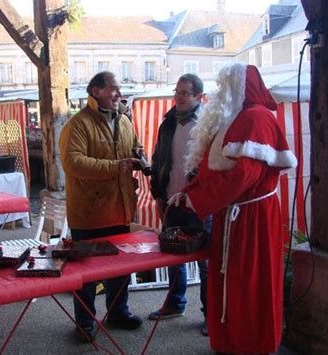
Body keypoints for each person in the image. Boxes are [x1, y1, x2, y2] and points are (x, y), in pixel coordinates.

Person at [170, 63, 297, 353]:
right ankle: (230, 340)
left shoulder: (257, 118)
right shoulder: (234, 118)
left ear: (242, 87)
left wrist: (199, 201)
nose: (220, 92)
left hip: (252, 218)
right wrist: (189, 192)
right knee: (231, 280)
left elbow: (244, 175)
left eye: (225, 85)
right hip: (233, 216)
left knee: (249, 283)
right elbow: (212, 170)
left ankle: (250, 342)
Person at [59, 71, 143, 342]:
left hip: (120, 208)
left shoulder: (125, 120)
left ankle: (118, 312)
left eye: (119, 89)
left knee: (119, 269)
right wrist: (116, 168)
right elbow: (73, 163)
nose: (118, 93)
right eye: (112, 88)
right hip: (89, 213)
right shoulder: (78, 124)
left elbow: (133, 148)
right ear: (95, 91)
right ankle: (84, 322)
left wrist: (139, 157)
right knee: (86, 274)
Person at [148, 73, 210, 336]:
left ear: (199, 96)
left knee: (205, 261)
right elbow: (158, 157)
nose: (179, 97)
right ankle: (175, 304)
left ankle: (210, 314)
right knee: (173, 256)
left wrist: (202, 196)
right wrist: (158, 193)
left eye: (185, 93)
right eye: (177, 91)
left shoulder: (208, 123)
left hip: (199, 203)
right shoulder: (167, 122)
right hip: (171, 199)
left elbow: (212, 165)